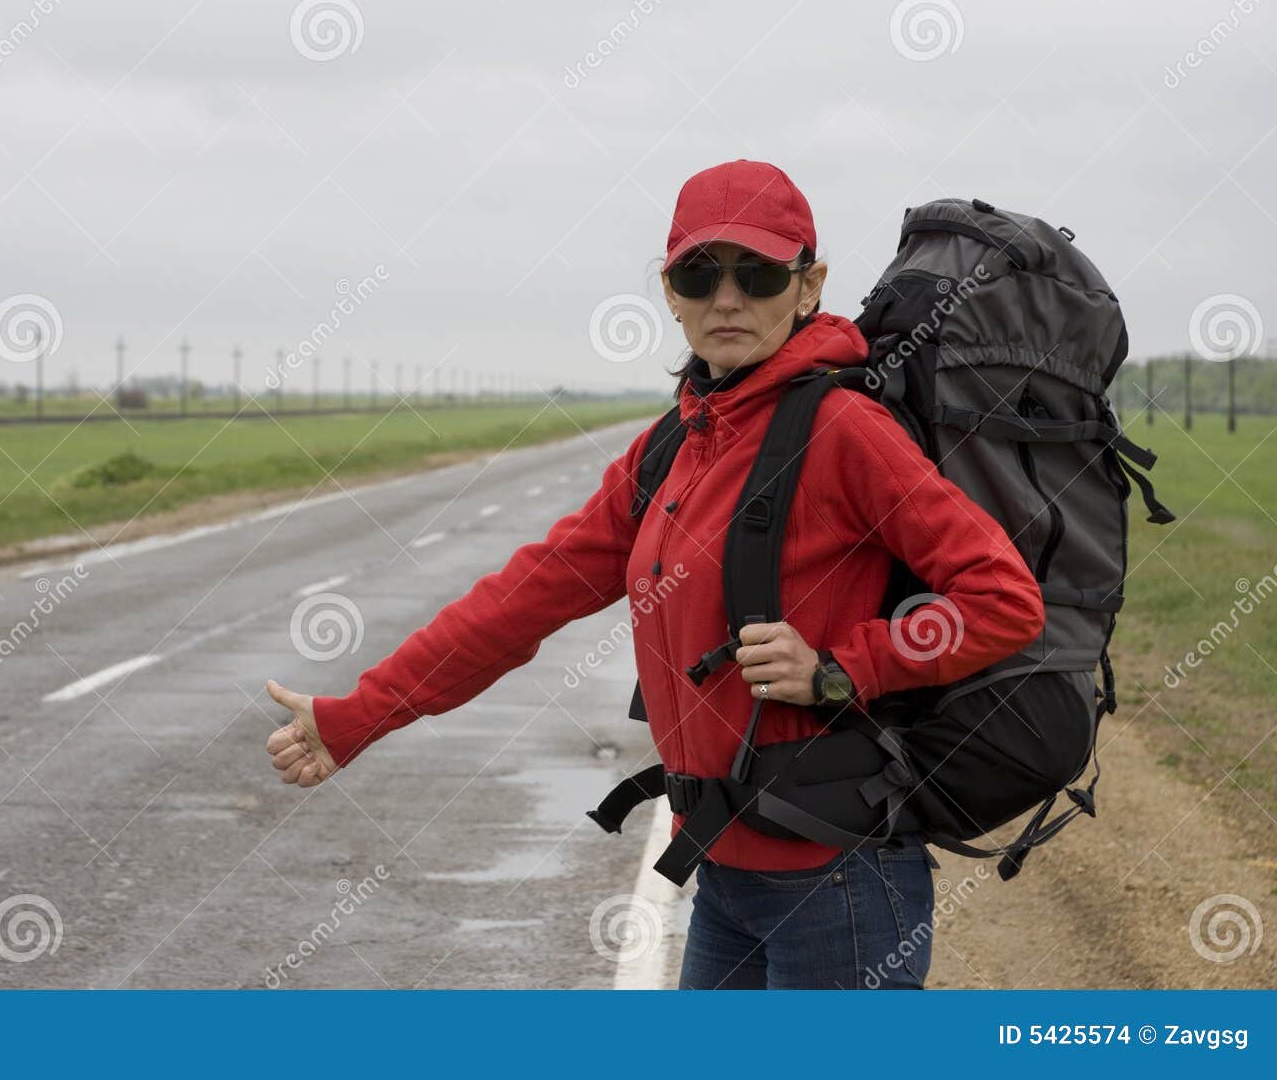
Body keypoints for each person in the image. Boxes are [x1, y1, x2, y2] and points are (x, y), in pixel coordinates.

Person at [263, 159, 1045, 989]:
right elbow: (522, 599)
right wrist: (361, 714)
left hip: (839, 882)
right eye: (699, 274)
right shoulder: (671, 448)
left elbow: (1002, 599)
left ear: (809, 285)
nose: (728, 298)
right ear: (670, 292)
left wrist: (842, 666)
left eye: (760, 272)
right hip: (725, 879)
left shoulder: (845, 431)